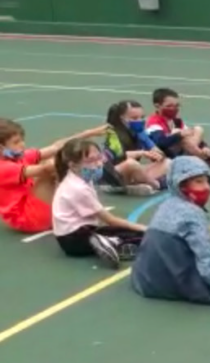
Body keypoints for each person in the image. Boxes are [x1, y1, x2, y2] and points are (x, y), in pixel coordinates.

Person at [131, 156, 210, 306]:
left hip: (149, 282)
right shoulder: (193, 214)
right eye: (199, 181)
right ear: (182, 184)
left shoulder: (165, 206)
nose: (206, 187)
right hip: (186, 285)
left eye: (207, 181)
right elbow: (208, 263)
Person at [0, 118, 107, 233]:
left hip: (30, 205)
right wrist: (81, 161)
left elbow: (56, 147)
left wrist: (89, 133)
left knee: (50, 161)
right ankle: (76, 204)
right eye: (16, 142)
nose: (22, 144)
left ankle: (71, 205)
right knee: (49, 168)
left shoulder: (19, 157)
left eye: (22, 140)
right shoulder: (3, 167)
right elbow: (46, 168)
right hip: (27, 219)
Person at [51, 139, 146, 269]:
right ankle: (109, 242)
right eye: (90, 161)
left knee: (128, 233)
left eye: (99, 158)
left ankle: (105, 241)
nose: (98, 165)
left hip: (72, 236)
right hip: (76, 239)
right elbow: (110, 220)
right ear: (73, 165)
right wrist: (143, 228)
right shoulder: (78, 188)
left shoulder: (77, 177)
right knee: (142, 237)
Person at [101, 100, 169, 196]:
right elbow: (119, 156)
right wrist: (142, 153)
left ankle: (133, 186)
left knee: (167, 163)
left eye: (142, 117)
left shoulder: (140, 133)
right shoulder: (113, 135)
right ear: (122, 119)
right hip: (113, 174)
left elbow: (156, 149)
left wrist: (157, 155)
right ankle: (157, 185)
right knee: (131, 164)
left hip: (132, 174)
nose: (139, 121)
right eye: (134, 118)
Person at [146, 87, 210, 165]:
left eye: (177, 105)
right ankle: (205, 157)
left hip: (181, 150)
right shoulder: (154, 122)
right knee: (178, 133)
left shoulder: (176, 120)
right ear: (157, 106)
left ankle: (204, 153)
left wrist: (204, 147)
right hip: (164, 154)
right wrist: (179, 135)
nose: (174, 108)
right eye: (169, 106)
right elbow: (160, 143)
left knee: (198, 129)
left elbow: (190, 135)